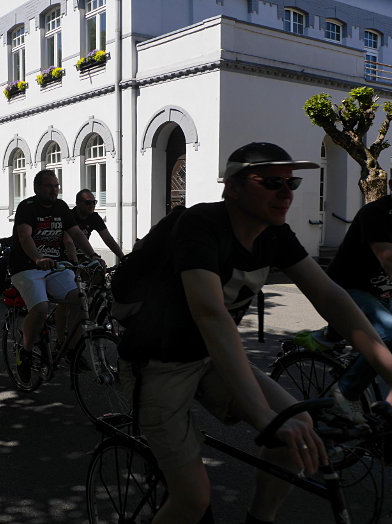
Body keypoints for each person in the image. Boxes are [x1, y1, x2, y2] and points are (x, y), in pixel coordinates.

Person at [117, 142, 392, 524]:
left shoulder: (274, 234)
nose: (286, 192)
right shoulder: (201, 225)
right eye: (270, 182)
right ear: (232, 186)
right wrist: (262, 416)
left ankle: (259, 520)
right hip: (158, 364)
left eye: (291, 183)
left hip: (209, 358)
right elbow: (210, 314)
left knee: (296, 428)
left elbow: (330, 296)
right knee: (193, 499)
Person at [9, 169, 103, 382]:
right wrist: (37, 258)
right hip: (26, 267)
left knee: (80, 298)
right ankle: (24, 352)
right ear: (37, 188)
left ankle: (70, 350)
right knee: (41, 308)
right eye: (48, 186)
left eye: (56, 186)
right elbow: (24, 236)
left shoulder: (61, 207)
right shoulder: (27, 207)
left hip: (55, 266)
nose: (54, 190)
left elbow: (76, 234)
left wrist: (93, 255)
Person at [326, 179, 392, 412]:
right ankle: (346, 391)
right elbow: (388, 259)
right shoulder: (376, 214)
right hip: (346, 290)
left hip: (380, 292)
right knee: (390, 333)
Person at [71, 189, 124, 260]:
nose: (92, 205)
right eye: (88, 203)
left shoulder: (94, 217)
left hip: (83, 255)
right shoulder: (69, 216)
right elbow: (68, 241)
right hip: (66, 255)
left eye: (94, 202)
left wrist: (123, 258)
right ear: (78, 203)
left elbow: (108, 238)